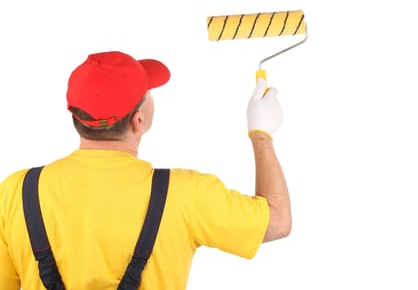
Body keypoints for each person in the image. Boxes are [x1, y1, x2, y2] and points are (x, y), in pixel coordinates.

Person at [0, 50, 291, 289]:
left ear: (77, 117)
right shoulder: (185, 195)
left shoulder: (16, 192)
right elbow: (277, 221)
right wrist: (261, 134)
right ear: (138, 120)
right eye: (148, 94)